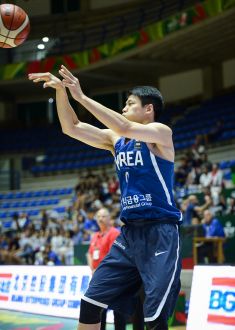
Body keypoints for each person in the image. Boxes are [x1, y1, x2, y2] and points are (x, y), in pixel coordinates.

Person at [28, 66, 182, 330]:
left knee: (154, 318)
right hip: (129, 235)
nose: (124, 108)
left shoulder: (161, 133)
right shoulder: (115, 140)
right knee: (90, 303)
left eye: (130, 103)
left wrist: (82, 97)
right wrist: (62, 91)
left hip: (160, 232)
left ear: (149, 109)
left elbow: (123, 125)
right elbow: (72, 127)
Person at [87, 208, 126, 330]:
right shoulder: (95, 236)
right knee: (99, 311)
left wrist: (100, 271)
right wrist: (92, 268)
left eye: (103, 216)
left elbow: (114, 256)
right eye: (98, 216)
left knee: (118, 312)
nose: (100, 219)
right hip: (99, 278)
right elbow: (89, 254)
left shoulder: (114, 233)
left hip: (114, 278)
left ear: (110, 218)